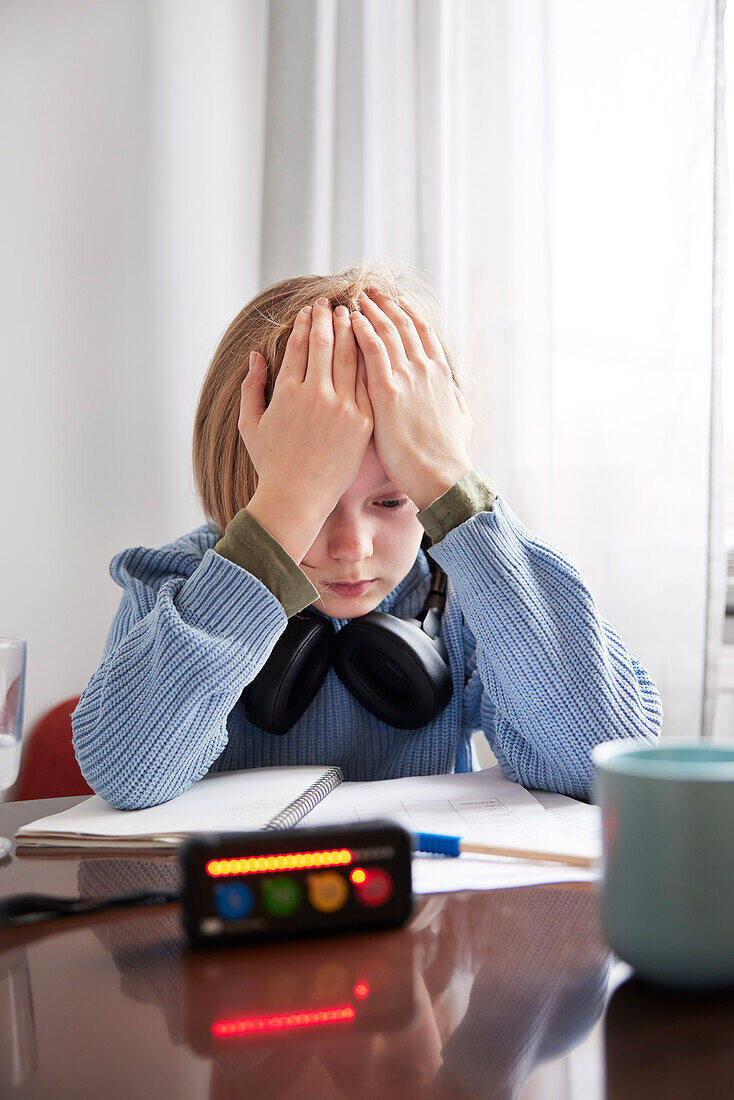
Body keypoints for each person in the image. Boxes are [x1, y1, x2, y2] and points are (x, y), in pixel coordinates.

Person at [71, 260, 662, 810]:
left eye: (392, 500)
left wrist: (446, 479)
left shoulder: (463, 591)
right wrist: (278, 518)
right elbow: (128, 773)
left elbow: (606, 763)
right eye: (314, 506)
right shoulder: (179, 585)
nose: (352, 549)